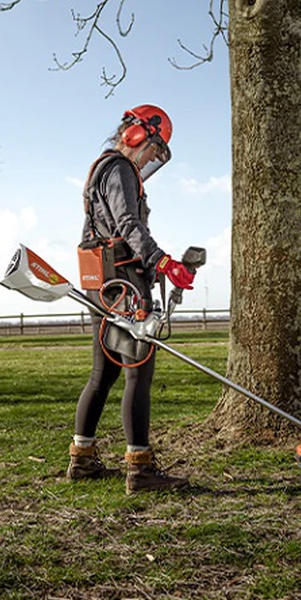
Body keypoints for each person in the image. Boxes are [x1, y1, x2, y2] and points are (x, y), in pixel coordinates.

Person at [68, 104, 197, 494]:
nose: (151, 159)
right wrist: (162, 261)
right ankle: (140, 469)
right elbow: (128, 224)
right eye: (153, 149)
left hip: (101, 282)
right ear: (137, 135)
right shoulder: (120, 168)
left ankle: (83, 459)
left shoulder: (101, 170)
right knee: (138, 372)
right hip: (123, 282)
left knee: (102, 373)